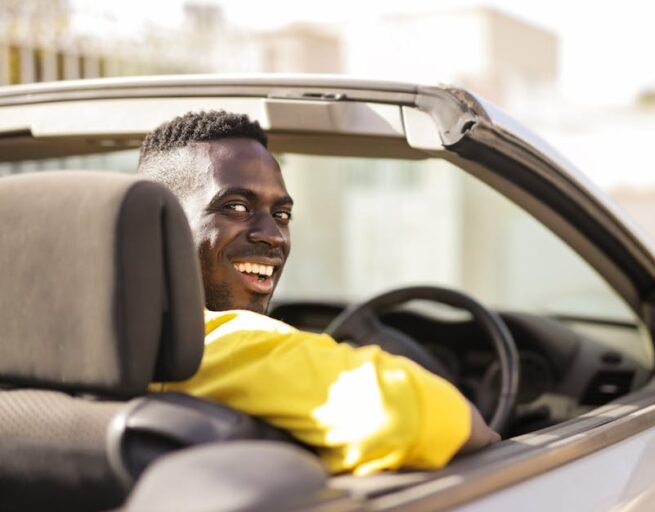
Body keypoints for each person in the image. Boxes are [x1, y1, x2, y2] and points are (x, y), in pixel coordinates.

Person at [138, 110, 500, 476]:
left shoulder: (109, 342)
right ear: (160, 226)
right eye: (235, 207)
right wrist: (486, 434)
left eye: (281, 214)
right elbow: (406, 414)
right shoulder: (218, 343)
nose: (275, 235)